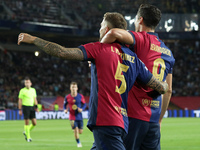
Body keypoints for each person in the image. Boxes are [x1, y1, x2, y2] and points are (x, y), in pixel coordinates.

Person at [17, 12, 168, 150]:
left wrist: (34, 39)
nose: (99, 30)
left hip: (106, 121)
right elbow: (160, 87)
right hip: (122, 123)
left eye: (101, 26)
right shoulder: (135, 60)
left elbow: (62, 52)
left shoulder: (99, 49)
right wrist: (165, 85)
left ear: (107, 30)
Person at [101, 4, 175, 150]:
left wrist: (99, 54)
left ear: (140, 20)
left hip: (133, 116)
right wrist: (159, 120)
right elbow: (169, 90)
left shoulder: (141, 39)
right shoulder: (168, 53)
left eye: (135, 20)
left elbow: (114, 32)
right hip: (153, 121)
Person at [63, 82, 86, 147]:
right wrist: (65, 109)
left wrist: (81, 109)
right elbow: (64, 105)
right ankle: (78, 143)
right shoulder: (67, 97)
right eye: (72, 87)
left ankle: (76, 133)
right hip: (72, 116)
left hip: (79, 116)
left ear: (77, 88)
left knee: (80, 131)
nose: (74, 88)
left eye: (75, 87)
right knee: (76, 130)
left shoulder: (80, 96)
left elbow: (84, 104)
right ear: (70, 88)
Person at [18, 77, 39, 142]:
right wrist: (20, 109)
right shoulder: (22, 91)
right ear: (24, 84)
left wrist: (36, 107)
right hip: (25, 107)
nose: (27, 84)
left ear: (31, 83)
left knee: (34, 123)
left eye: (28, 82)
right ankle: (28, 137)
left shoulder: (33, 90)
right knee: (27, 122)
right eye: (26, 83)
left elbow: (35, 99)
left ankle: (26, 131)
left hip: (32, 107)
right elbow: (20, 100)